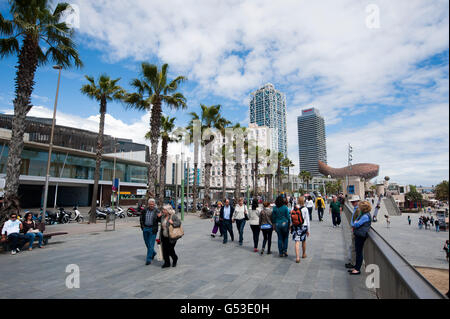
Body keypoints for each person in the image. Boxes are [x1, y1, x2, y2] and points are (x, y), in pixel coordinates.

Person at [349, 201, 372, 275]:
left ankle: (357, 269)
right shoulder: (364, 214)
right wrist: (356, 222)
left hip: (361, 235)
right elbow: (357, 222)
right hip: (359, 234)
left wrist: (356, 222)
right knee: (358, 251)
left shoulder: (365, 216)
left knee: (359, 252)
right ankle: (356, 267)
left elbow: (356, 224)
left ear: (363, 208)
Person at [139, 198, 162, 265]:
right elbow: (141, 219)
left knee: (151, 244)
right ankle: (153, 253)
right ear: (148, 204)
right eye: (150, 204)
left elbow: (160, 220)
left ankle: (148, 259)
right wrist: (143, 227)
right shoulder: (144, 210)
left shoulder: (157, 211)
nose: (151, 205)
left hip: (153, 229)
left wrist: (160, 217)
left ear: (154, 204)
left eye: (153, 204)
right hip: (145, 228)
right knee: (147, 243)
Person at [290, 197, 310, 263]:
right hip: (304, 226)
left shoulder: (294, 208)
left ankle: (297, 257)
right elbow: (307, 220)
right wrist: (308, 230)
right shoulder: (305, 209)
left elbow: (292, 217)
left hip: (296, 226)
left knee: (297, 241)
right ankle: (304, 254)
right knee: (303, 240)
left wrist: (291, 225)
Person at [345, 195, 361, 269]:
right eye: (352, 202)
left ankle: (353, 263)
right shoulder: (355, 208)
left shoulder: (358, 210)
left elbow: (358, 220)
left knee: (354, 248)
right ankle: (353, 262)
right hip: (354, 229)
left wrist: (354, 228)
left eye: (353, 202)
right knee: (353, 247)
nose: (352, 203)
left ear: (358, 202)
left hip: (355, 230)